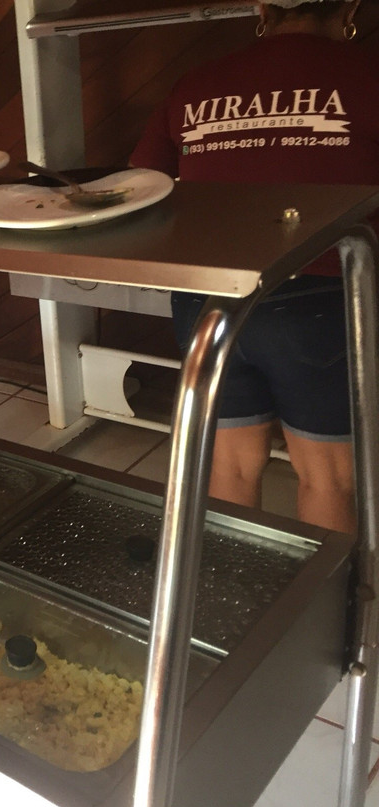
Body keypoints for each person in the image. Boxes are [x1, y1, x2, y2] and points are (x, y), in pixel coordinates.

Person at [129, 0, 379, 533]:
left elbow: (144, 178)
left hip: (207, 299)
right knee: (327, 478)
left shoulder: (196, 83)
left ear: (263, 9)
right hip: (320, 298)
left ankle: (232, 582)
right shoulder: (367, 75)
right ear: (350, 8)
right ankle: (328, 589)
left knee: (229, 465)